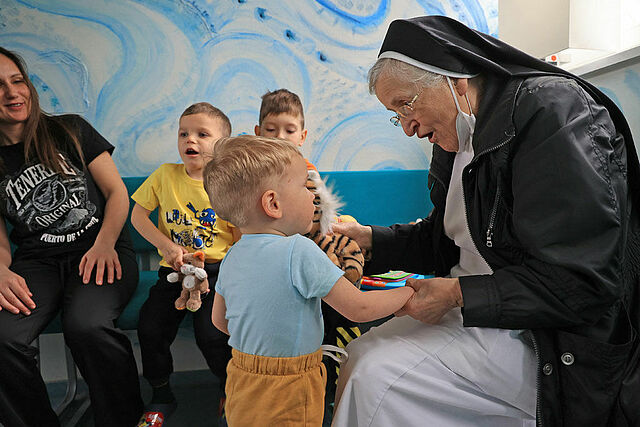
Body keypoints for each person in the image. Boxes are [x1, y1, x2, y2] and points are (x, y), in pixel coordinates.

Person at [331, 16, 640, 427]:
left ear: (454, 80)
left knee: (376, 378)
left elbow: (583, 283)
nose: (407, 128)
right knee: (358, 356)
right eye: (395, 114)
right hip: (483, 312)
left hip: (543, 339)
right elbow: (450, 238)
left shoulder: (552, 114)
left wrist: (458, 294)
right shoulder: (456, 134)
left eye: (406, 105)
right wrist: (371, 239)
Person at [202, 135, 414, 426]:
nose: (313, 196)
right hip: (291, 385)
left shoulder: (233, 256)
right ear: (273, 203)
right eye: (305, 185)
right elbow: (358, 309)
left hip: (240, 375)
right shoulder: (300, 250)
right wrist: (409, 291)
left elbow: (220, 321)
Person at [0, 47, 143, 426]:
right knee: (1, 338)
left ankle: (123, 420)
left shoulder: (70, 129)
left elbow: (117, 194)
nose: (12, 92)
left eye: (17, 81)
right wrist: (1, 270)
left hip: (101, 249)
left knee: (88, 326)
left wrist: (104, 243)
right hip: (38, 264)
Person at [131, 102, 239, 424]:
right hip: (173, 273)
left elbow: (241, 235)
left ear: (222, 145)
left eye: (201, 134)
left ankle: (228, 387)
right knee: (150, 327)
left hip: (218, 274)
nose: (189, 140)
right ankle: (161, 393)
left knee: (212, 334)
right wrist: (166, 246)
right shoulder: (165, 175)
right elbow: (138, 216)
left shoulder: (229, 183)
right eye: (183, 133)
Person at [255, 88, 361, 409]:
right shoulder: (253, 171)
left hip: (310, 258)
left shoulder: (308, 171)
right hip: (271, 262)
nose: (280, 137)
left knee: (331, 315)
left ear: (302, 135)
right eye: (271, 130)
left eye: (289, 130)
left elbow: (323, 218)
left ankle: (330, 379)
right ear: (258, 133)